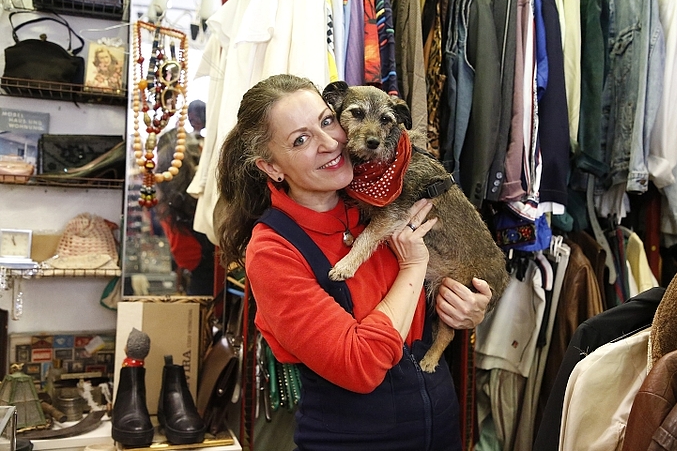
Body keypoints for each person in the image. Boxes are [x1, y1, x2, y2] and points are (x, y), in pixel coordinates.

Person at [216, 74, 492, 450]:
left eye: (327, 121)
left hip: (441, 427)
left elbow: (436, 298)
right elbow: (359, 364)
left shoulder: (382, 201)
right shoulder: (273, 252)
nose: (330, 144)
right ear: (272, 168)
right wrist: (412, 268)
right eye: (301, 139)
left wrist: (467, 309)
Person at [155, 128, 215, 296]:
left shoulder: (168, 197)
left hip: (200, 273)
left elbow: (186, 256)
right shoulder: (205, 179)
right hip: (220, 268)